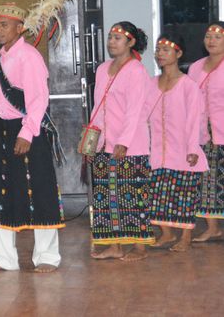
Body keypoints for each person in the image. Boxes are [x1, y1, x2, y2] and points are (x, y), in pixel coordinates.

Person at [0, 3, 64, 273]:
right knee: (0, 191)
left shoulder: (29, 57)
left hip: (28, 132)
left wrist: (26, 134)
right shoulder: (1, 58)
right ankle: (3, 258)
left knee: (39, 192)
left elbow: (37, 100)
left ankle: (47, 257)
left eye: (4, 25)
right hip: (6, 131)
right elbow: (3, 101)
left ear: (20, 29)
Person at [88, 21, 154, 261]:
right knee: (107, 196)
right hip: (106, 143)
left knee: (133, 196)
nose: (111, 42)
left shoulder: (136, 71)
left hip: (131, 145)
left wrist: (123, 142)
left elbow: (135, 112)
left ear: (131, 42)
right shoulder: (103, 68)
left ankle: (139, 248)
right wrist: (93, 142)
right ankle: (114, 246)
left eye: (117, 38)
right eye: (110, 37)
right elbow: (98, 108)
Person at [146, 32, 207, 252]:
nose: (160, 54)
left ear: (178, 53)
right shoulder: (152, 84)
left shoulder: (188, 85)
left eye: (166, 50)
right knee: (158, 194)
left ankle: (185, 238)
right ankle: (167, 234)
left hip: (183, 150)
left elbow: (195, 120)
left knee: (183, 195)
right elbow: (143, 115)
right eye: (158, 50)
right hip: (158, 151)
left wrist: (193, 148)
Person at [189, 21, 224, 242]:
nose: (211, 40)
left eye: (217, 37)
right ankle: (213, 227)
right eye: (208, 36)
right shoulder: (195, 67)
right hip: (203, 132)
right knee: (208, 179)